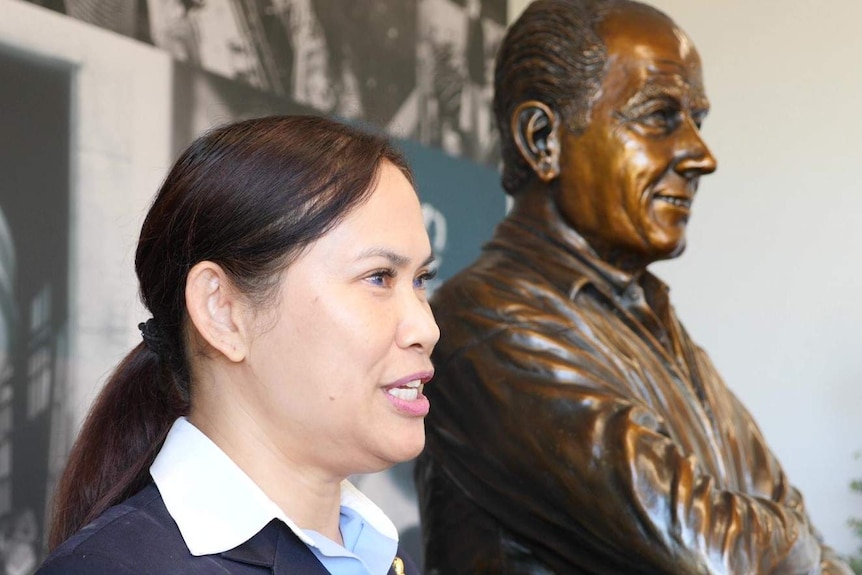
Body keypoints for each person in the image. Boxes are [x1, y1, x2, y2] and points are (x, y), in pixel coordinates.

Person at [414, 1, 852, 574]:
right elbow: (716, 556)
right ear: (542, 139)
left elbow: (798, 536)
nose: (701, 155)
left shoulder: (651, 316)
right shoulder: (487, 324)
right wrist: (781, 536)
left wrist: (777, 534)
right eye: (660, 117)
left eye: (698, 120)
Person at [38, 115, 438, 575]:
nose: (425, 328)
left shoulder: (382, 557)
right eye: (378, 278)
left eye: (421, 279)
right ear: (221, 311)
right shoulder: (118, 568)